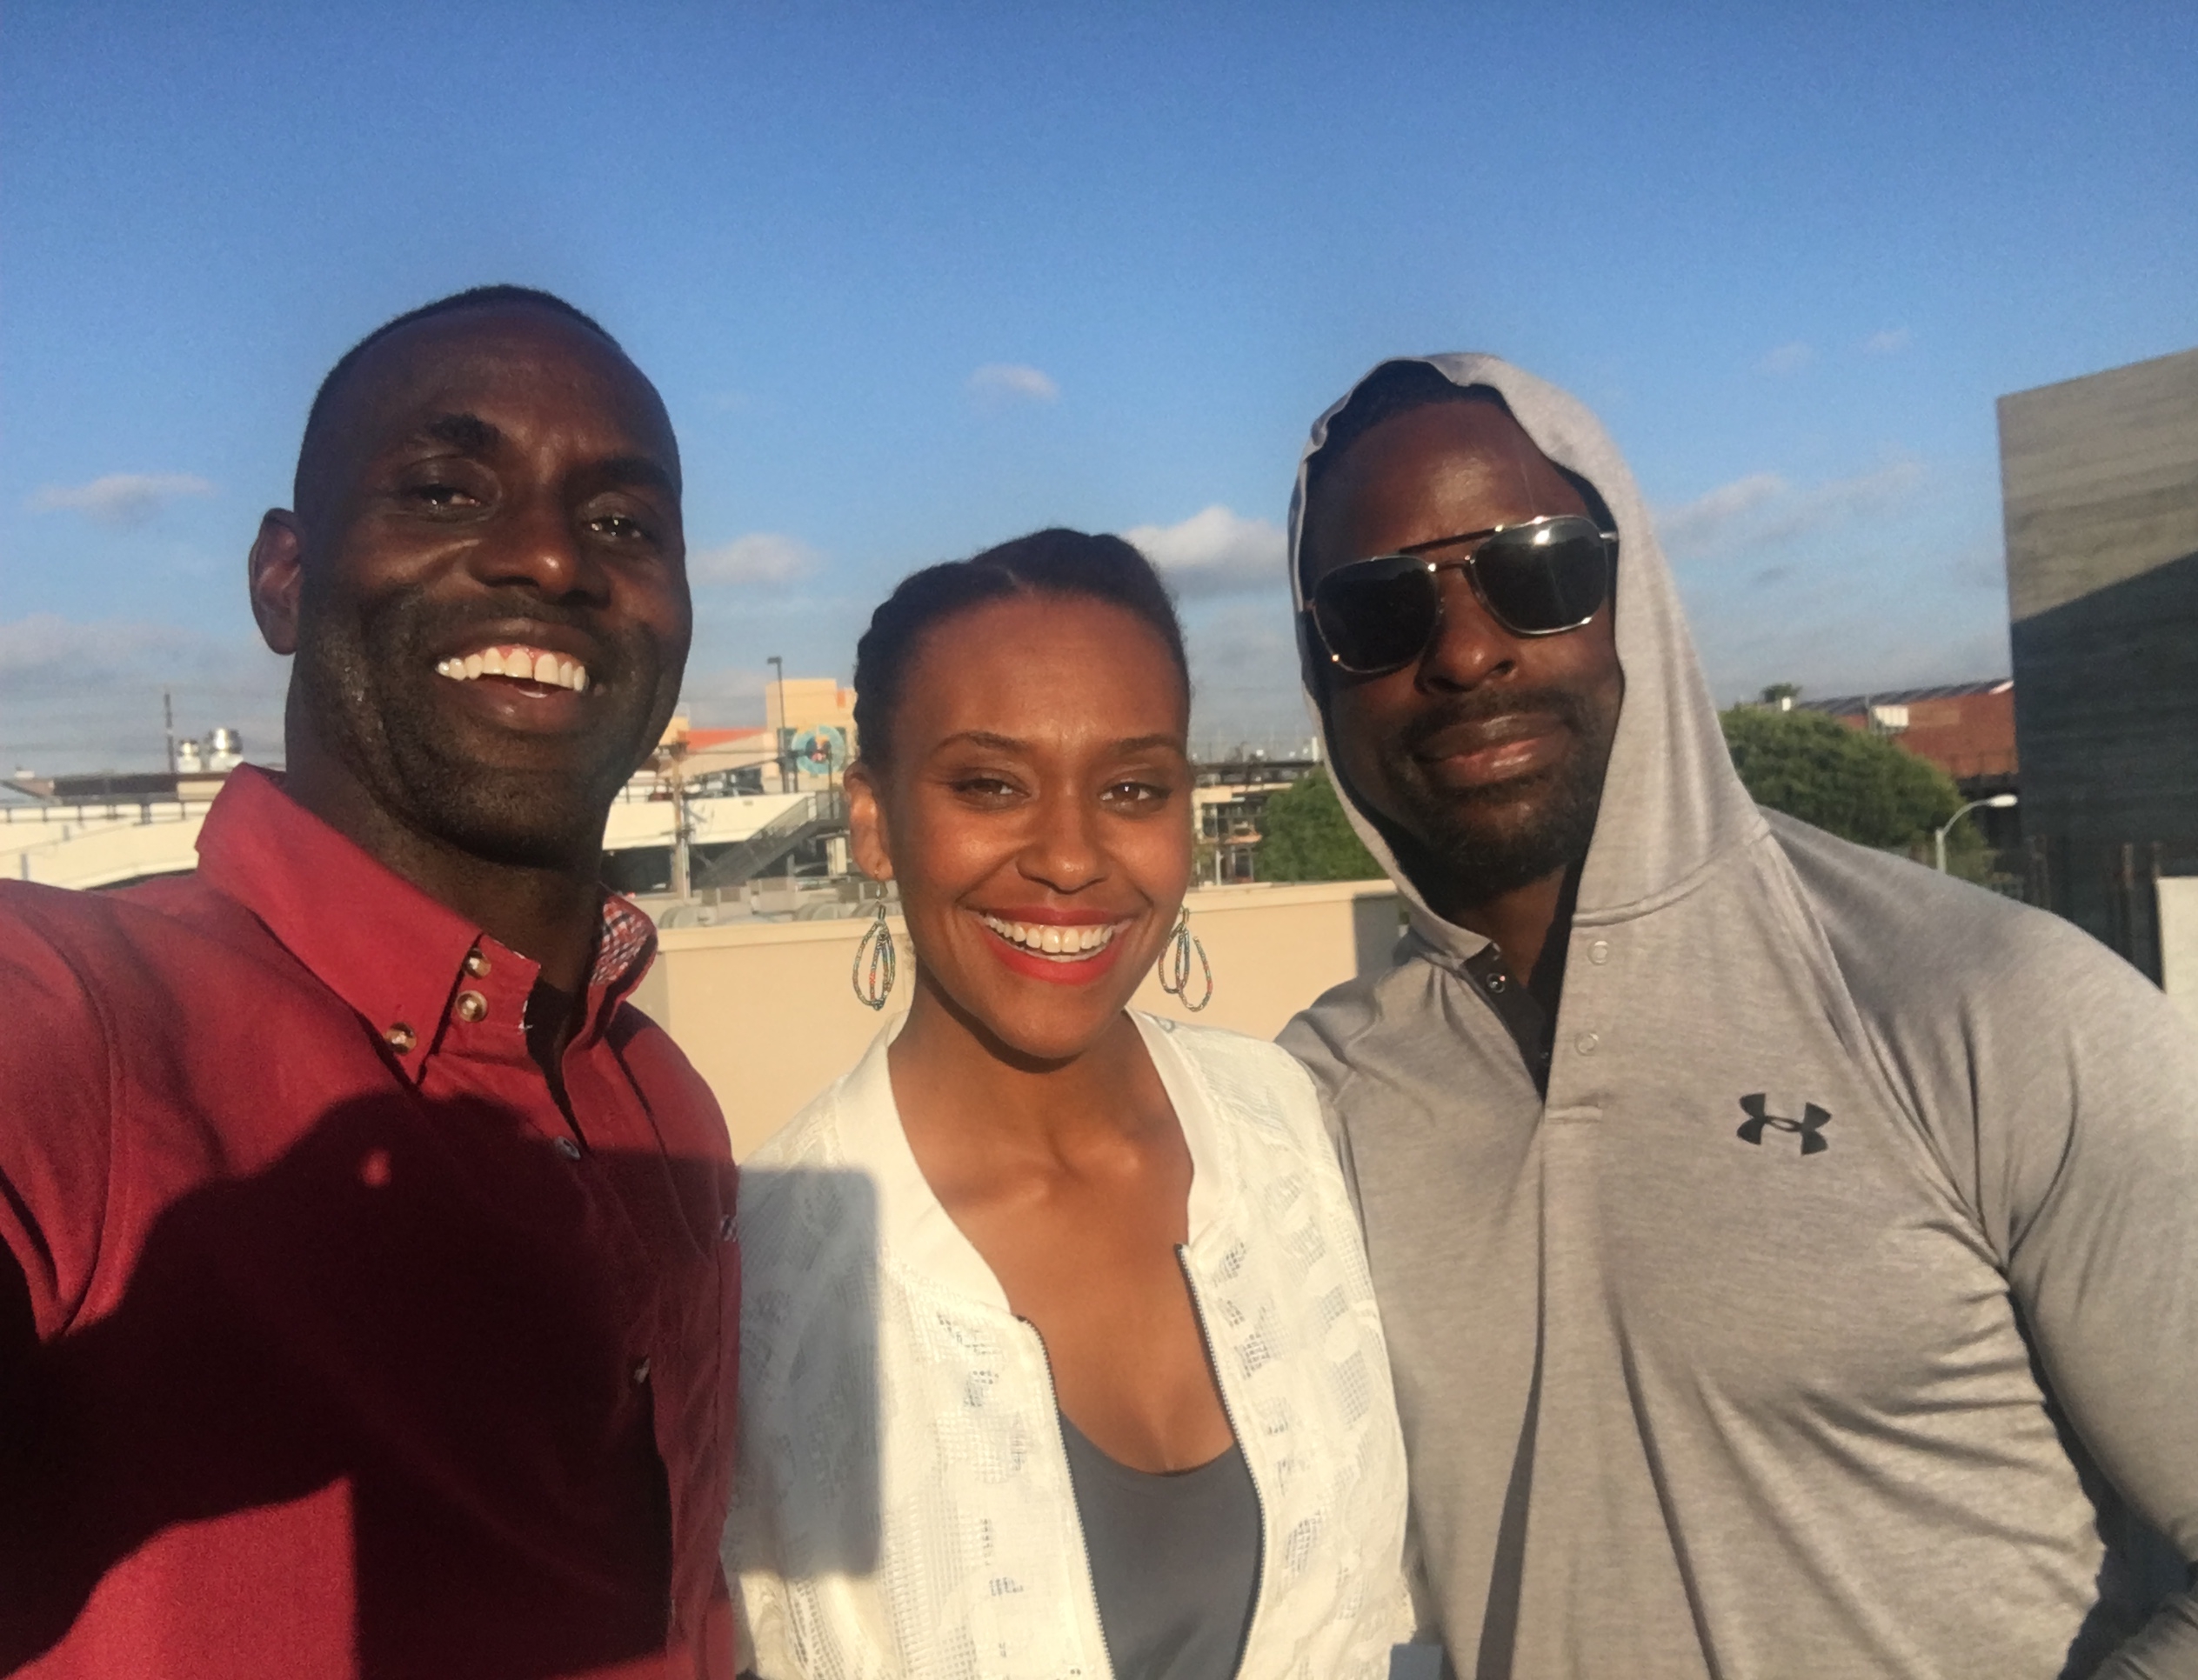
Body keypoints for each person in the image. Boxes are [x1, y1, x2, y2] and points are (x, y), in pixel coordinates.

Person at [1275, 355, 2198, 1678]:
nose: (1467, 649)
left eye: (1537, 571)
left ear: (1638, 596)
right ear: (1320, 674)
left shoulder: (1990, 1005)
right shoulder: (1312, 1105)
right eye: (1375, 610)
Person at [0, 286, 738, 1677]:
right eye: (447, 489)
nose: (548, 559)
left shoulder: (665, 1106)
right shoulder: (81, 1019)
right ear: (285, 577)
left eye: (624, 525)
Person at [724, 530, 1414, 1679]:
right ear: (873, 821)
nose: (1070, 856)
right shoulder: (772, 1291)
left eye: (1131, 787)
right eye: (990, 785)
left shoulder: (1286, 1127)